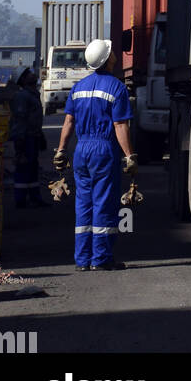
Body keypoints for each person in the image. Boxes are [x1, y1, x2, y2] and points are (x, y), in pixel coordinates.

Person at [53, 39, 137, 272]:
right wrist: (129, 155)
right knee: (104, 203)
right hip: (103, 150)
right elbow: (120, 125)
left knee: (84, 203)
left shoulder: (78, 88)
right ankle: (101, 259)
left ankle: (82, 259)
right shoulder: (116, 87)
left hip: (82, 151)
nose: (114, 55)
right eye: (111, 53)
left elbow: (68, 121)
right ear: (107, 59)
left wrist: (61, 150)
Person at [9, 68, 46, 209]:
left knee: (32, 167)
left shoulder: (32, 94)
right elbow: (20, 120)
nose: (33, 74)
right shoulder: (22, 96)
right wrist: (19, 141)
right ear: (23, 80)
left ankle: (35, 198)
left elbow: (34, 119)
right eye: (28, 74)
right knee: (23, 167)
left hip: (33, 136)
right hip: (25, 138)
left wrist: (40, 135)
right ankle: (20, 200)